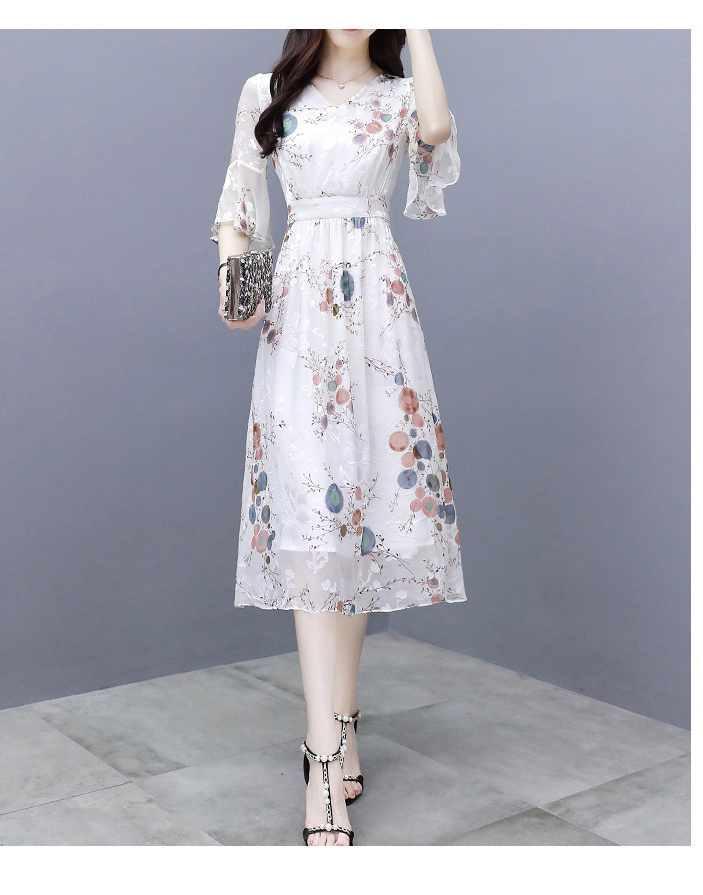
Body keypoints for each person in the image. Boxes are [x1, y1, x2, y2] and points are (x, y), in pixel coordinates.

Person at [211, 29, 467, 846]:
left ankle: (344, 720)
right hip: (299, 318)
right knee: (316, 531)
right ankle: (322, 758)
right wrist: (236, 283)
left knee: (360, 527)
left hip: (380, 320)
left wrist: (419, 26)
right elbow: (238, 201)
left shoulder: (400, 97)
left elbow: (435, 129)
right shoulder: (266, 93)